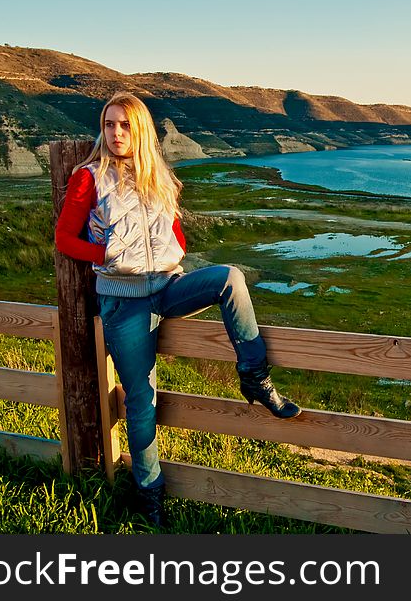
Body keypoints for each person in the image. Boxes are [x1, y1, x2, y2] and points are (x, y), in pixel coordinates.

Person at [54, 91, 300, 529]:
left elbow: (177, 236)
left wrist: (170, 255)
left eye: (125, 125)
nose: (115, 133)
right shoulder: (88, 178)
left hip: (167, 287)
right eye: (109, 124)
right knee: (142, 402)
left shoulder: (159, 177)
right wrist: (107, 253)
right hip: (124, 301)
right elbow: (64, 240)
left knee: (230, 278)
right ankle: (149, 494)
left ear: (141, 129)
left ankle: (255, 377)